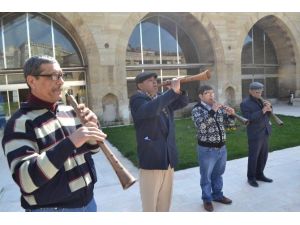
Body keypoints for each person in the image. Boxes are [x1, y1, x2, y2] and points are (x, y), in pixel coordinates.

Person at [1, 55, 107, 212]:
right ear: (32, 81)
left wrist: (93, 129)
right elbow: (26, 181)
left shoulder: (70, 112)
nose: (61, 81)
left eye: (61, 75)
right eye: (53, 76)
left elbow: (93, 150)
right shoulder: (19, 123)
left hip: (89, 204)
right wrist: (71, 142)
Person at [129, 71, 188, 211]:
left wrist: (177, 91)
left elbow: (182, 103)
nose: (155, 82)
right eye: (150, 80)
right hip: (152, 158)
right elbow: (150, 110)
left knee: (164, 203)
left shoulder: (161, 97)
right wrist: (170, 93)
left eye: (155, 79)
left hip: (167, 157)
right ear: (140, 85)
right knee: (150, 206)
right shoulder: (137, 99)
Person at [191, 85, 234, 212]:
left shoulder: (219, 109)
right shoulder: (196, 109)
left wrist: (231, 115)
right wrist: (212, 111)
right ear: (200, 96)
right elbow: (201, 126)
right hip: (207, 150)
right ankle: (207, 199)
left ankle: (218, 195)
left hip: (221, 148)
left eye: (212, 93)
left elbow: (227, 124)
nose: (211, 95)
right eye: (207, 93)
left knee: (218, 174)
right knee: (206, 176)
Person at [240, 82, 273, 188]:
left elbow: (267, 115)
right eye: (257, 92)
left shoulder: (261, 100)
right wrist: (262, 111)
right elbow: (249, 118)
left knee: (264, 156)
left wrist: (269, 108)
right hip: (255, 133)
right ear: (250, 91)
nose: (259, 94)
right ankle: (251, 178)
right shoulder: (245, 103)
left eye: (261, 92)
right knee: (254, 157)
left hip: (265, 131)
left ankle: (260, 174)